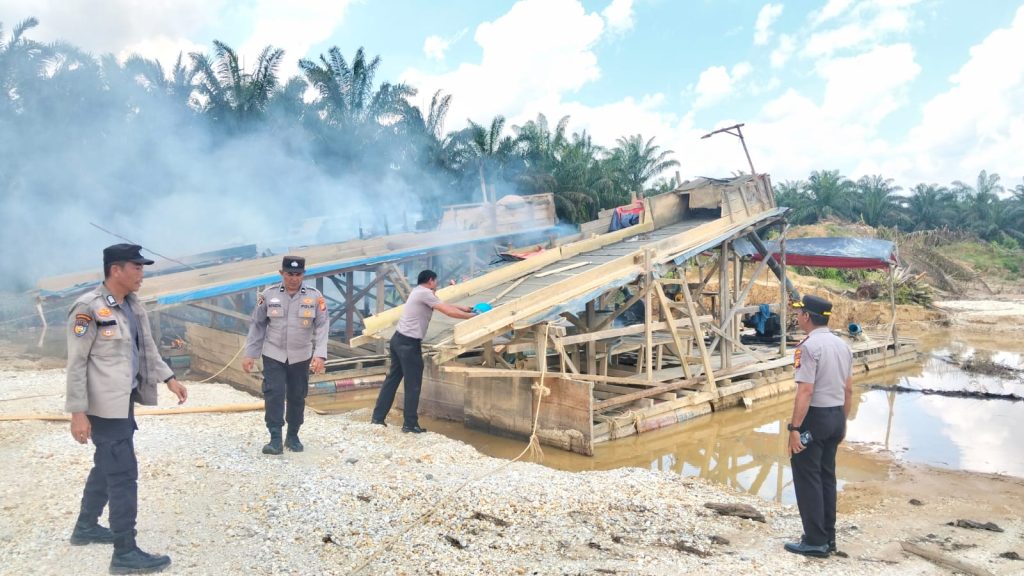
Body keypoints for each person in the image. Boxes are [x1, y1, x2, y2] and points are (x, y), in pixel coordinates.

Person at [66, 243, 188, 574]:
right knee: (123, 474)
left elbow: (146, 349)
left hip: (124, 402)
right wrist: (78, 413)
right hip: (103, 408)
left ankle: (85, 526)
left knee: (107, 464)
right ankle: (125, 552)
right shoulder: (88, 308)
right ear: (116, 270)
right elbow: (76, 364)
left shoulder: (133, 306)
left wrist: (169, 378)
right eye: (137, 268)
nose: (142, 274)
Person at [784, 294, 854, 558]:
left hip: (815, 418)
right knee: (826, 477)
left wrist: (795, 429)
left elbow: (806, 391)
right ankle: (829, 538)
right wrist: (842, 421)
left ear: (806, 316)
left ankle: (815, 541)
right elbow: (848, 389)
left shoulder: (808, 347)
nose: (797, 317)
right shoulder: (842, 345)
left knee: (808, 477)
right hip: (836, 416)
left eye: (799, 313)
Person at [371, 270, 476, 433]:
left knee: (392, 380)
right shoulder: (425, 293)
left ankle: (378, 418)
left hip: (398, 340)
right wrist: (472, 317)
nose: (436, 284)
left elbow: (441, 303)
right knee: (413, 384)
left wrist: (464, 308)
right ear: (430, 281)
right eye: (435, 281)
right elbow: (448, 311)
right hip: (409, 344)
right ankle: (410, 424)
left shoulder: (418, 291)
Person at [242, 256, 328, 455]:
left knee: (297, 395)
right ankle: (275, 439)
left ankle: (293, 436)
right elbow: (257, 324)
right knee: (274, 393)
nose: (294, 278)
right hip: (274, 353)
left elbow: (322, 326)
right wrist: (250, 354)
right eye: (290, 274)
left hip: (301, 355)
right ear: (281, 273)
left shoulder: (315, 297)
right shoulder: (268, 295)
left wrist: (320, 355)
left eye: (298, 274)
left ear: (303, 274)